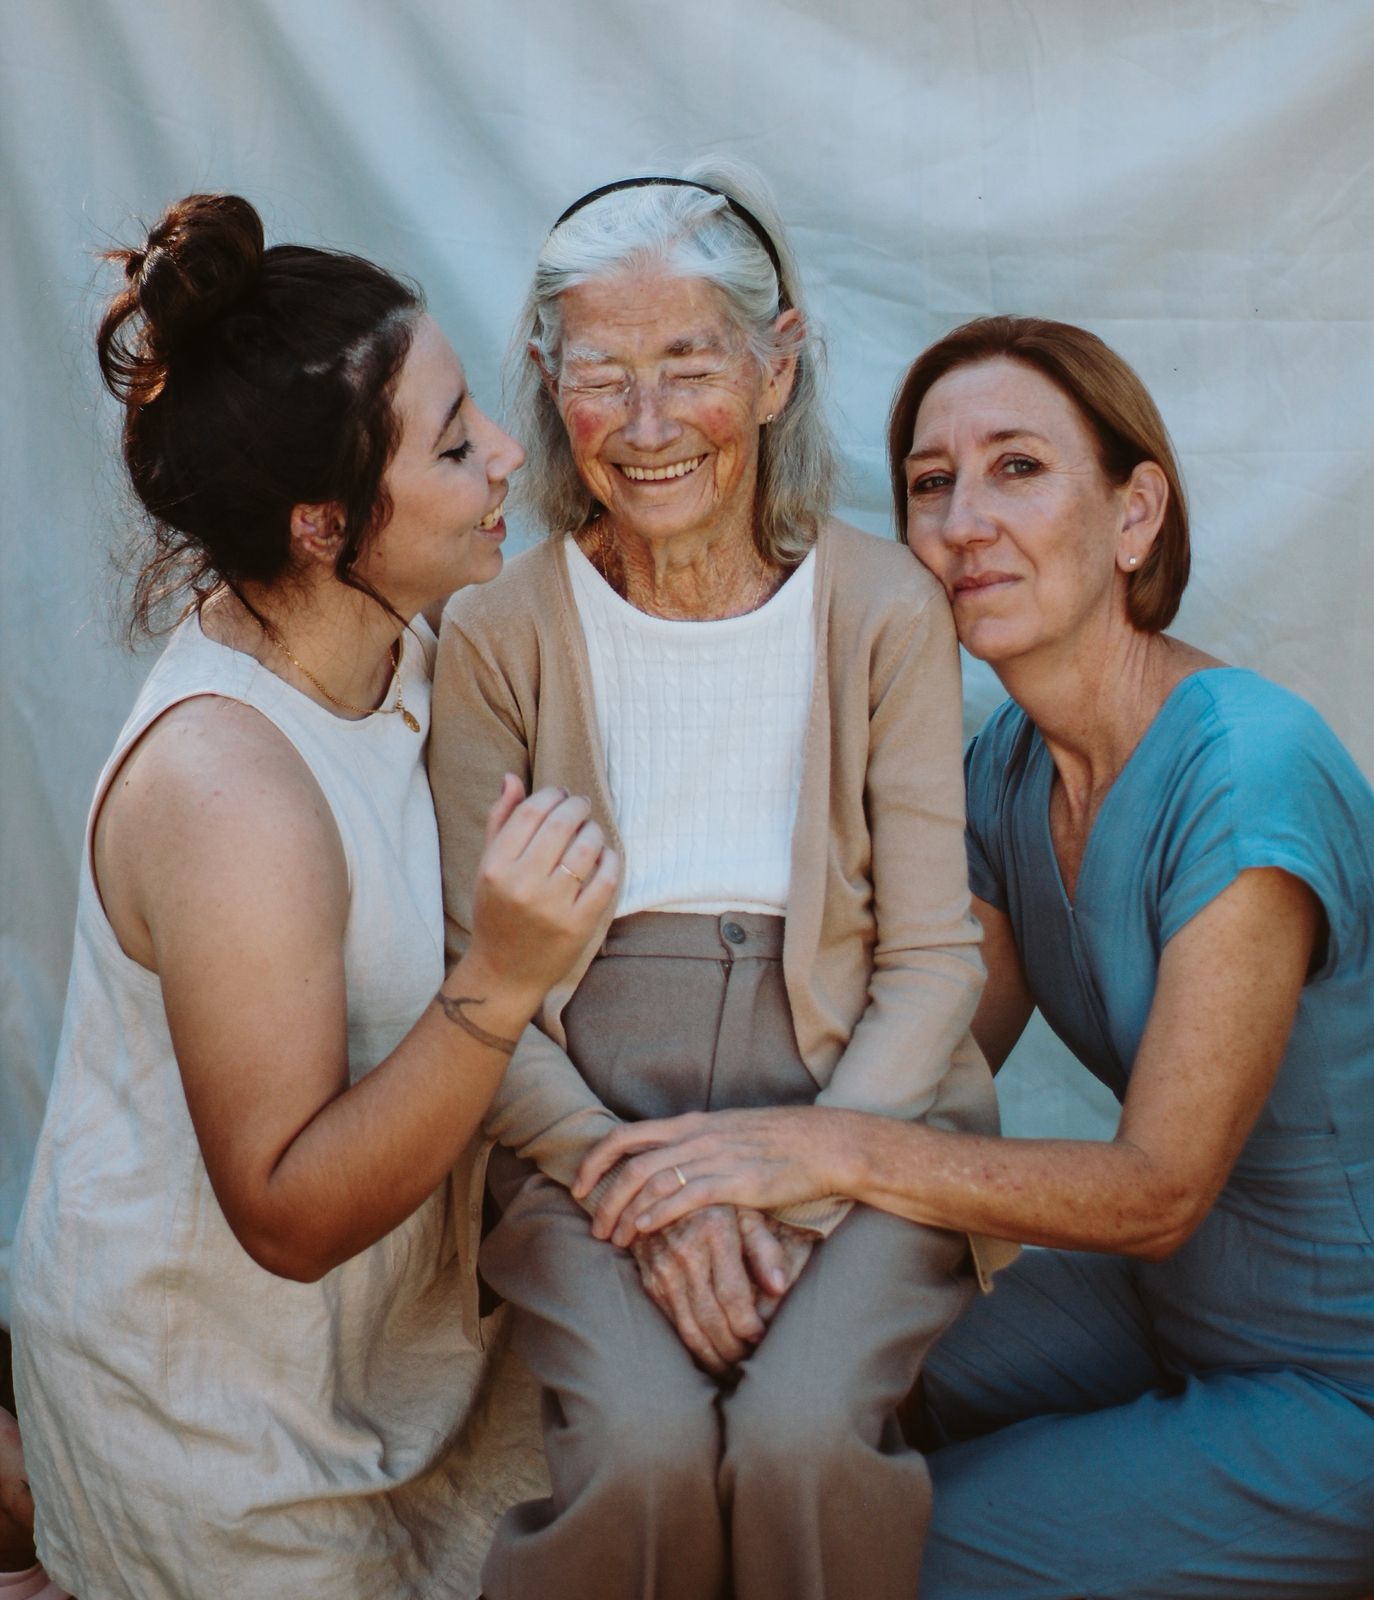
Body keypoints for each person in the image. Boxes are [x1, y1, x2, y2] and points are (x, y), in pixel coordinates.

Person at [577, 314, 1374, 1599]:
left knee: (882, 1547)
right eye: (931, 483)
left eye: (1018, 467)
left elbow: (1162, 1184)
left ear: (1135, 514)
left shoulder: (1246, 769)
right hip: (1159, 1302)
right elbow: (923, 1061)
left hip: (1343, 1375)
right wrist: (727, 1198)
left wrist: (829, 1154)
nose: (962, 522)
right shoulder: (1005, 768)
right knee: (781, 1386)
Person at [9, 192, 617, 1600]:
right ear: (324, 524)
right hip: (213, 1422)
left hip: (382, 1376)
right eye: (457, 444)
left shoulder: (385, 644)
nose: (505, 460)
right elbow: (281, 1212)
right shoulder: (235, 799)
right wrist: (503, 977)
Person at [428, 164, 1008, 1600]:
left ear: (774, 366)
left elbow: (933, 966)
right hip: (590, 1134)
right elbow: (477, 986)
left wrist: (793, 1180)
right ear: (548, 385)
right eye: (598, 375)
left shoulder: (882, 609)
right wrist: (661, 1198)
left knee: (805, 1441)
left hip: (854, 1112)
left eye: (687, 363)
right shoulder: (498, 630)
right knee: (640, 1451)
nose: (643, 426)